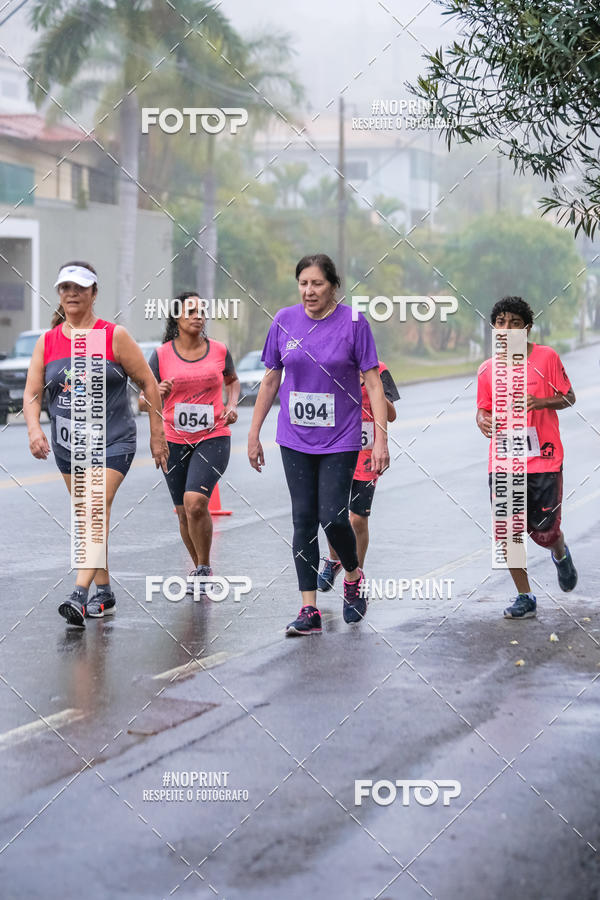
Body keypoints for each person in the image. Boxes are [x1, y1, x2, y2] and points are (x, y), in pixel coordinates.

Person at [248, 253, 390, 636]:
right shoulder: (283, 320)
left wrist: (380, 440)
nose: (309, 291)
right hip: (294, 438)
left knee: (333, 517)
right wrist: (253, 432)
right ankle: (308, 608)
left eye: (317, 284)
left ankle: (353, 575)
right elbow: (270, 379)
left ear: (333, 286)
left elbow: (373, 383)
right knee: (303, 520)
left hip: (341, 437)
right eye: (303, 283)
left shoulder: (355, 323)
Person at [23, 261, 169, 627]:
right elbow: (31, 393)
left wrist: (157, 432)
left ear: (94, 293)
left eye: (80, 287)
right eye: (65, 288)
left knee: (93, 509)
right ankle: (104, 592)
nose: (72, 294)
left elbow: (149, 384)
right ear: (59, 293)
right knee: (88, 517)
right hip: (68, 446)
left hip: (113, 441)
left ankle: (79, 593)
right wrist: (33, 430)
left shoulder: (113, 335)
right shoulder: (48, 340)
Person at [476, 296, 577, 619]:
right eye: (501, 323)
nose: (507, 329)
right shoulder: (487, 369)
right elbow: (482, 411)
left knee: (544, 532)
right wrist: (482, 420)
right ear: (494, 328)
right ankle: (525, 596)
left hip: (544, 459)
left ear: (527, 328)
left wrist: (542, 401)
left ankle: (559, 552)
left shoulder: (546, 358)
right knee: (507, 532)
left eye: (515, 323)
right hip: (504, 460)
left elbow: (569, 397)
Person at [143, 293, 239, 592]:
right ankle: (198, 565)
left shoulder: (219, 350)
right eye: (191, 311)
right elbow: (144, 401)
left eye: (202, 311)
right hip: (173, 439)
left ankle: (203, 566)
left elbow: (232, 381)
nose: (198, 316)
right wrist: (157, 390)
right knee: (184, 511)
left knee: (196, 502)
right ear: (177, 318)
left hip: (213, 435)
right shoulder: (160, 356)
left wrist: (232, 404)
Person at [317, 362, 399, 590]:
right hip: (338, 448)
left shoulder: (380, 370)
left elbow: (391, 415)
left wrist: (373, 386)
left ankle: (354, 577)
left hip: (367, 455)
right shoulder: (336, 366)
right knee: (332, 514)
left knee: (357, 519)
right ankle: (334, 560)